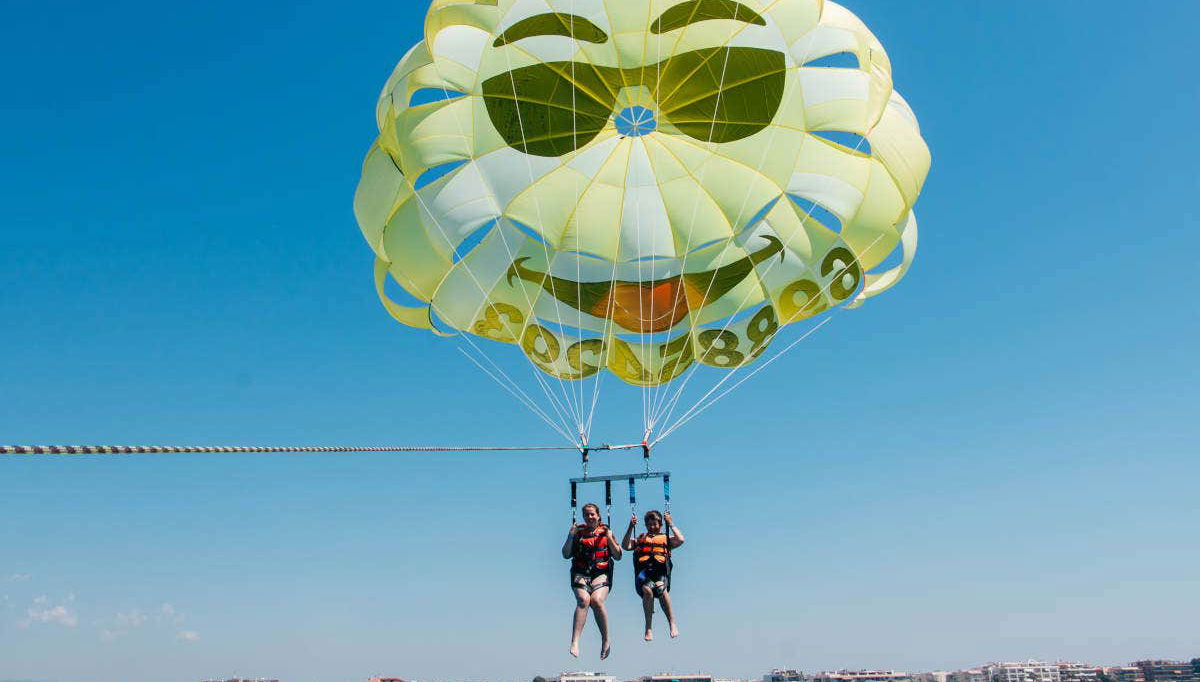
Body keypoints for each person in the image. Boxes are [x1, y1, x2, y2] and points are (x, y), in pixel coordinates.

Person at [563, 502, 622, 659]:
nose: (589, 517)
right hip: (581, 571)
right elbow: (566, 554)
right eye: (586, 515)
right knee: (583, 600)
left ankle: (605, 639)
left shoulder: (606, 532)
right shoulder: (578, 533)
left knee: (596, 600)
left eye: (592, 514)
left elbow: (618, 556)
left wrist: (609, 538)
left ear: (598, 516)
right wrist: (570, 535)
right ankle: (575, 641)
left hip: (601, 572)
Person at [622, 509, 684, 641]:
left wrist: (671, 523)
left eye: (655, 524)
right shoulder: (640, 539)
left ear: (660, 524)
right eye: (649, 524)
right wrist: (630, 526)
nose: (652, 527)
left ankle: (672, 623)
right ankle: (648, 627)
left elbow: (680, 540)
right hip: (644, 574)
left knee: (662, 589)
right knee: (647, 590)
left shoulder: (666, 538)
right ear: (645, 525)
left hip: (660, 572)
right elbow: (625, 546)